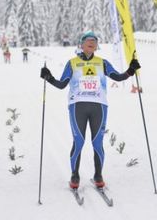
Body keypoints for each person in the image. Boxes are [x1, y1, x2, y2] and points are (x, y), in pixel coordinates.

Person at [39, 31, 141, 189]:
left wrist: (131, 70)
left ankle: (98, 176)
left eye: (95, 40)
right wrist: (49, 77)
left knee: (97, 142)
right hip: (77, 105)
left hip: (99, 105)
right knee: (79, 141)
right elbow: (62, 85)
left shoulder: (103, 62)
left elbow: (118, 77)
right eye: (88, 40)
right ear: (81, 44)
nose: (92, 42)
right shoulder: (72, 63)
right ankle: (75, 177)